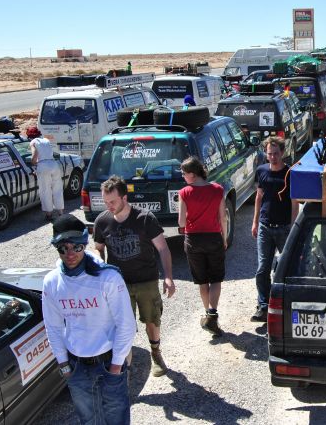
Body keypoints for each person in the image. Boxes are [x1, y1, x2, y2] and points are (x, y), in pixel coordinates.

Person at [42, 214, 135, 425]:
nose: (70, 254)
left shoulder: (108, 278)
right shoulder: (52, 282)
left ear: (84, 244)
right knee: (89, 421)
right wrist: (64, 365)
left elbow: (126, 324)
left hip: (108, 364)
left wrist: (116, 365)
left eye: (76, 247)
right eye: (63, 248)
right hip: (76, 367)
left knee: (116, 420)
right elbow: (53, 326)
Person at [94, 176, 174, 377]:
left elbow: (163, 248)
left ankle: (156, 353)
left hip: (146, 280)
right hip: (118, 285)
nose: (109, 206)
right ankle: (124, 367)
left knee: (152, 320)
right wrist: (99, 270)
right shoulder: (102, 221)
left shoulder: (145, 218)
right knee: (121, 327)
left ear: (124, 197)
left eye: (112, 201)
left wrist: (168, 277)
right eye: (105, 202)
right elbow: (98, 248)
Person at [251, 136, 299, 322]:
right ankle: (263, 306)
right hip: (265, 227)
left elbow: (295, 202)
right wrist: (255, 222)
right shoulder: (261, 171)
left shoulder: (290, 173)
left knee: (286, 268)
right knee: (262, 269)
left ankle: (286, 306)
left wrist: (294, 226)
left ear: (283, 152)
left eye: (276, 153)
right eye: (269, 154)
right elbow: (259, 197)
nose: (273, 157)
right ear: (265, 153)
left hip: (284, 228)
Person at [178, 156, 227, 336]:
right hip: (213, 238)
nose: (183, 176)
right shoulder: (217, 190)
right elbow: (223, 217)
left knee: (202, 280)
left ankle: (208, 314)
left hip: (193, 240)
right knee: (216, 279)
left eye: (184, 173)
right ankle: (212, 316)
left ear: (192, 174)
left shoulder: (184, 192)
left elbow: (181, 222)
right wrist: (224, 238)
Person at [27, 127, 64, 221]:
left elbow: (35, 154)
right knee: (57, 189)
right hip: (53, 164)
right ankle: (60, 212)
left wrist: (33, 163)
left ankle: (49, 214)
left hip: (43, 166)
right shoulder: (46, 140)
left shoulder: (33, 142)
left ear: (30, 136)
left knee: (45, 190)